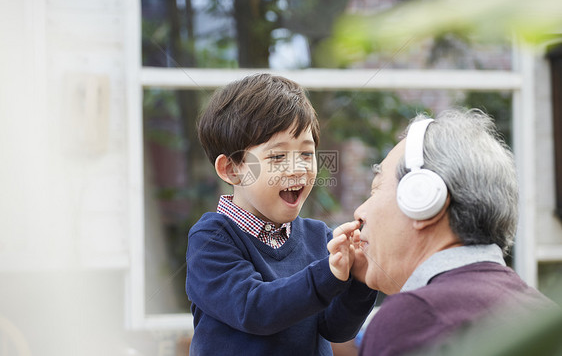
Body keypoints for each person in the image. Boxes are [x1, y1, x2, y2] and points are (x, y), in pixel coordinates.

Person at [185, 73, 377, 356]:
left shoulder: (317, 237)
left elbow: (335, 329)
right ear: (232, 169)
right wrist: (329, 274)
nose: (298, 168)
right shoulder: (211, 239)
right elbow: (255, 309)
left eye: (306, 154)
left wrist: (359, 280)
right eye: (277, 157)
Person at [351, 109, 558, 356]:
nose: (359, 212)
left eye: (376, 189)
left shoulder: (414, 319)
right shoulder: (544, 314)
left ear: (423, 198)